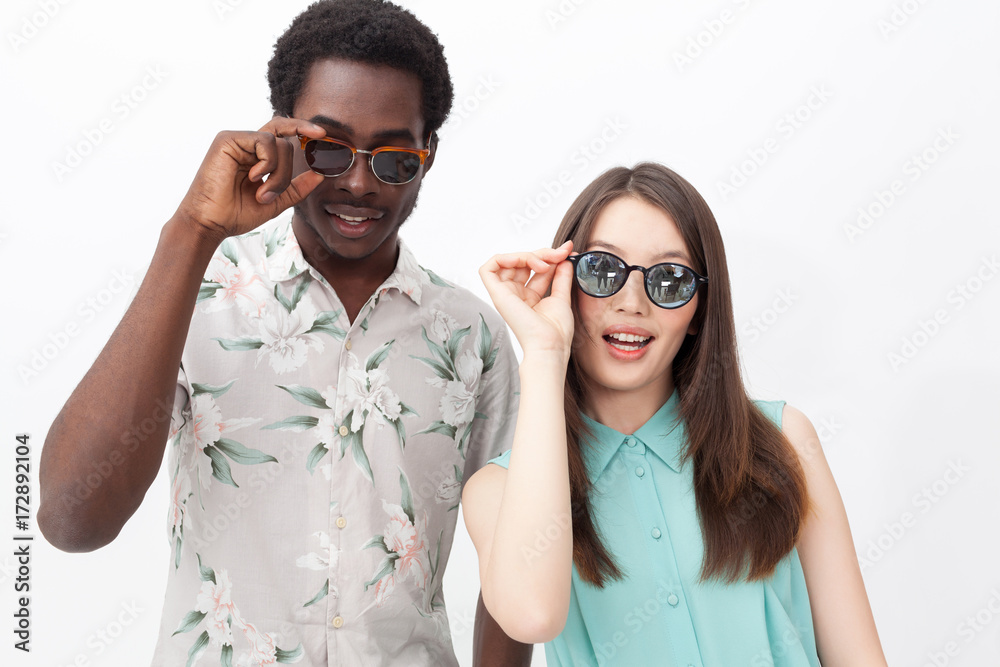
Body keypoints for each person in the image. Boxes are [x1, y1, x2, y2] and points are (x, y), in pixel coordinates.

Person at [37, 1, 532, 665]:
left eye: (393, 159)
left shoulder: (472, 337)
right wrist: (192, 231)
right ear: (279, 137)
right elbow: (73, 521)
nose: (358, 183)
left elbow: (516, 563)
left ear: (428, 155)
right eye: (328, 149)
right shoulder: (197, 300)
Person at [464, 162, 888, 666]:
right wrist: (543, 353)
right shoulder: (498, 490)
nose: (632, 302)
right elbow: (533, 616)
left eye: (669, 280)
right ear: (564, 284)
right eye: (603, 271)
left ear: (697, 312)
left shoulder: (783, 439)